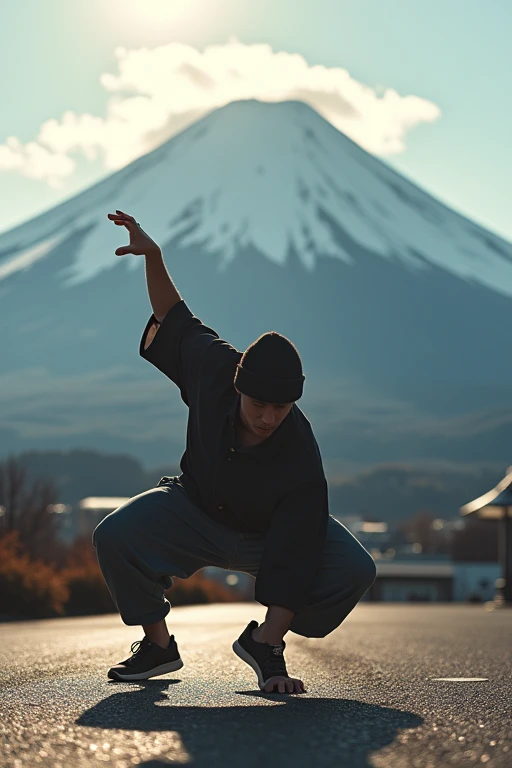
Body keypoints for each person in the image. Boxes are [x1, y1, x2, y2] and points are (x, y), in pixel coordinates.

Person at [93, 209, 376, 695]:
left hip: (267, 537)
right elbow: (175, 317)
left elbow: (298, 549)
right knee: (114, 534)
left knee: (355, 568)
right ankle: (158, 647)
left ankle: (262, 645)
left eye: (281, 407)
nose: (268, 417)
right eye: (258, 404)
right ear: (238, 386)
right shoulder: (214, 368)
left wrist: (272, 647)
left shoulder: (300, 455)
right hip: (194, 509)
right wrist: (154, 257)